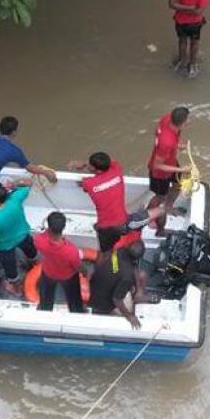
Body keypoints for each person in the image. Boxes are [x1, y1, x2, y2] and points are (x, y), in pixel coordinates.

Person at [69, 152, 166, 253]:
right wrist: (86, 164)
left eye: (90, 165)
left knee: (106, 252)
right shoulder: (116, 169)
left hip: (105, 229)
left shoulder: (88, 183)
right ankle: (160, 231)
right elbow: (109, 161)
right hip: (125, 223)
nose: (88, 166)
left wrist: (82, 164)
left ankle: (107, 262)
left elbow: (81, 184)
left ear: (95, 169)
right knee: (161, 211)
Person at [0, 117, 57, 202]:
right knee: (23, 182)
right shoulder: (14, 150)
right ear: (14, 132)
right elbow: (30, 168)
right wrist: (46, 173)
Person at [0, 181, 37, 296]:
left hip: (5, 245)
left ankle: (16, 289)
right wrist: (13, 185)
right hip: (23, 235)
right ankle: (33, 264)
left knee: (10, 269)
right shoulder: (15, 198)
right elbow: (29, 184)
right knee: (31, 252)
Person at [148, 107, 191, 235]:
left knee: (179, 183)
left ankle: (168, 206)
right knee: (160, 196)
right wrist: (181, 168)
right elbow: (157, 165)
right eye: (188, 119)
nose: (190, 121)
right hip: (160, 173)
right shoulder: (166, 142)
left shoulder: (167, 119)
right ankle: (150, 217)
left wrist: (177, 145)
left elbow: (160, 133)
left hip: (171, 161)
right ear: (183, 123)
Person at [89, 241, 149, 329]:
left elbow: (129, 269)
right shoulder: (127, 277)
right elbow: (116, 299)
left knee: (142, 275)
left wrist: (138, 288)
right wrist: (129, 316)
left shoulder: (119, 252)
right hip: (102, 304)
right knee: (123, 316)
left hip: (99, 283)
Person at [33, 212, 85, 313]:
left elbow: (43, 235)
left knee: (45, 301)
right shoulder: (71, 250)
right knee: (74, 301)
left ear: (49, 227)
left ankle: (45, 312)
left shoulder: (39, 240)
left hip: (48, 273)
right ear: (64, 227)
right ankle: (77, 312)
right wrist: (85, 272)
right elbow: (78, 267)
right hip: (68, 277)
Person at [168, 0, 210, 79]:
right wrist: (191, 7)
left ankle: (192, 63)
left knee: (194, 42)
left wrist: (181, 7)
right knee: (181, 41)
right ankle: (182, 61)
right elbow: (171, 4)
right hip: (180, 20)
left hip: (195, 22)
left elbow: (199, 11)